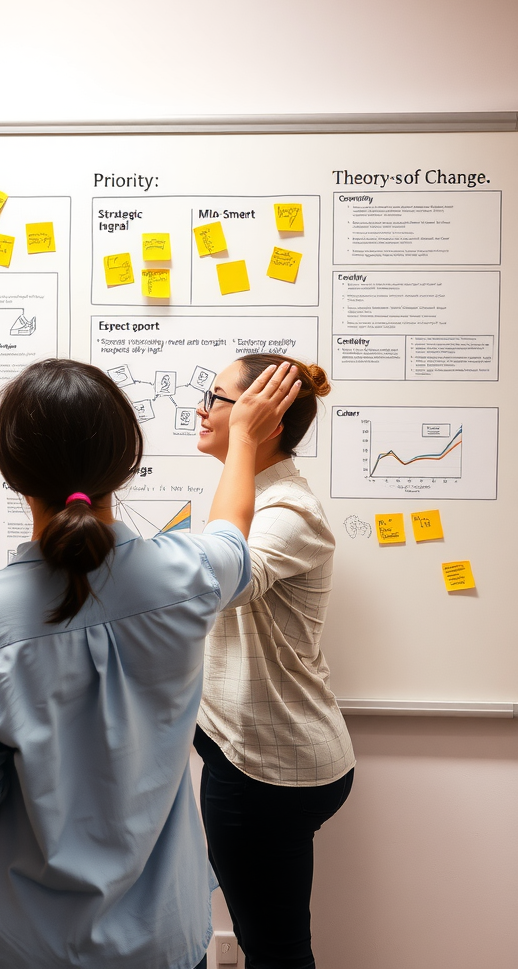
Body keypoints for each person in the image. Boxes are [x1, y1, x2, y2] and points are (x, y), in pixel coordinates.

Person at [0, 357, 301, 969]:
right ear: (126, 462)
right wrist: (247, 440)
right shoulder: (186, 578)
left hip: (28, 940)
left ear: (13, 471)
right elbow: (233, 528)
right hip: (162, 938)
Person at [193, 354, 355, 969]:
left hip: (270, 767)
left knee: (275, 951)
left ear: (263, 418)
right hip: (254, 753)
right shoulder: (250, 498)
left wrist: (241, 445)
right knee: (273, 941)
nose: (202, 408)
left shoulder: (288, 510)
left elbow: (219, 578)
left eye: (217, 397)